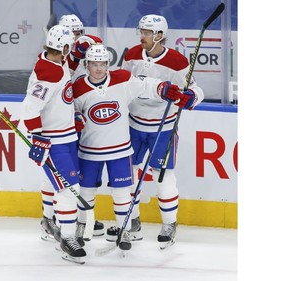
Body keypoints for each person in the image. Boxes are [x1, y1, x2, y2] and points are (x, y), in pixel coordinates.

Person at [72, 44, 187, 251]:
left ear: (108, 64)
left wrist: (162, 89)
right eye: (94, 64)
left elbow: (144, 84)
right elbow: (72, 108)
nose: (99, 68)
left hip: (120, 149)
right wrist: (76, 117)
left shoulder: (122, 79)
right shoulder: (78, 87)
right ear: (86, 65)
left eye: (103, 64)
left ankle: (124, 228)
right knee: (86, 191)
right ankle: (83, 225)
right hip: (90, 149)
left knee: (123, 192)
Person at [106, 14, 204, 250]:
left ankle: (170, 224)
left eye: (147, 33)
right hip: (133, 124)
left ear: (159, 35)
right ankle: (133, 223)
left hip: (164, 126)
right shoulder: (130, 55)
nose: (142, 37)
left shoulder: (177, 61)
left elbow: (195, 89)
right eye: (141, 32)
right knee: (129, 175)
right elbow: (122, 83)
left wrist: (190, 97)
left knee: (163, 177)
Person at [21, 25, 86, 264]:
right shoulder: (51, 72)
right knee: (70, 189)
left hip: (65, 134)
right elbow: (29, 107)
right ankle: (67, 238)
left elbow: (59, 98)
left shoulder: (55, 63)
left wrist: (71, 117)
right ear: (65, 48)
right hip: (54, 140)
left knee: (53, 182)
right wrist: (38, 136)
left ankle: (49, 222)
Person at [38, 14, 104, 242]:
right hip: (57, 126)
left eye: (78, 32)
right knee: (56, 178)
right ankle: (51, 219)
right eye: (71, 33)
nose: (76, 37)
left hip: (73, 120)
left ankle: (74, 219)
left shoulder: (83, 48)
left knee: (72, 176)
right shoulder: (56, 63)